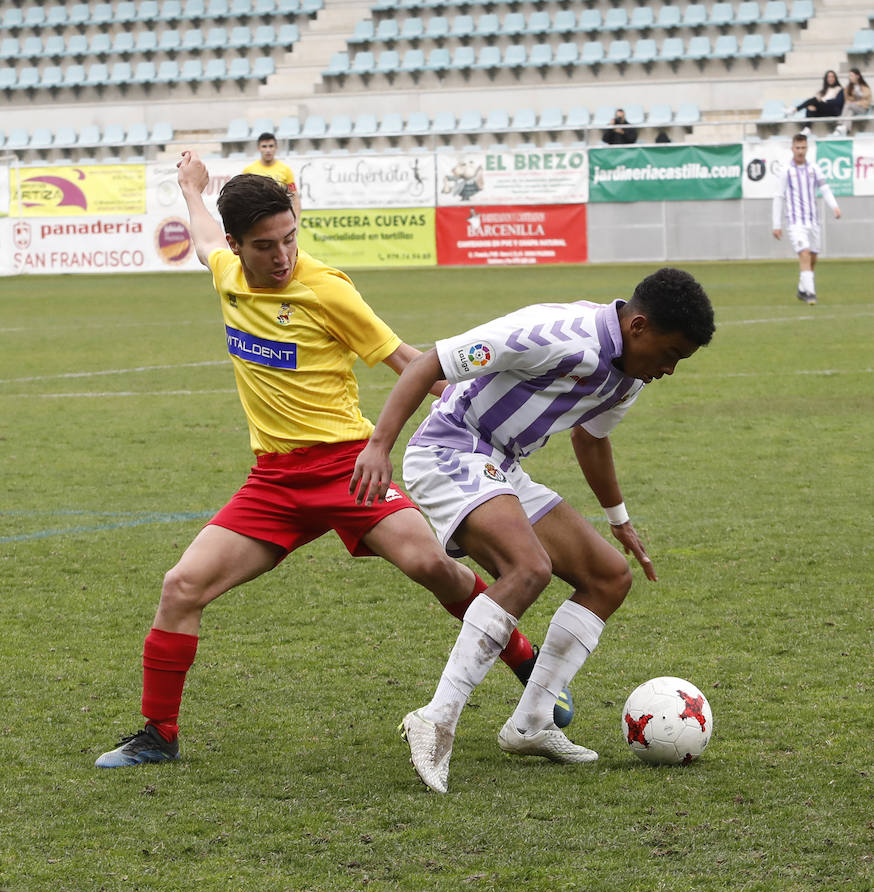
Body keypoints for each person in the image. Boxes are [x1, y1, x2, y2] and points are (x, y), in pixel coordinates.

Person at [94, 152, 568, 768]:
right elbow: (204, 235)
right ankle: (159, 735)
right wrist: (191, 188)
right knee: (180, 587)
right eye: (265, 246)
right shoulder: (226, 272)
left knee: (431, 564)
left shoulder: (326, 288)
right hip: (273, 482)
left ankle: (524, 659)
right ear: (237, 246)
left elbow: (410, 362)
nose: (283, 255)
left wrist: (483, 416)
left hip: (349, 468)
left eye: (290, 238)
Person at [350, 268, 716, 793]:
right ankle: (436, 719)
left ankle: (531, 722)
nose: (670, 369)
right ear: (638, 327)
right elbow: (432, 361)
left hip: (501, 466)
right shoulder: (553, 334)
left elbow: (591, 439)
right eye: (671, 353)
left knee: (609, 577)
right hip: (448, 449)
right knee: (528, 569)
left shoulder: (631, 376)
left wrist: (619, 520)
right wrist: (378, 445)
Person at [772, 133, 841, 305]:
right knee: (804, 253)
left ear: (807, 148)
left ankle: (802, 290)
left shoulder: (814, 169)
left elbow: (825, 189)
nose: (800, 151)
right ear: (792, 148)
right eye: (797, 147)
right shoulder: (786, 171)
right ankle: (811, 293)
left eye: (803, 148)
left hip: (813, 221)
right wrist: (776, 224)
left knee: (813, 258)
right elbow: (779, 196)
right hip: (795, 222)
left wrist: (834, 206)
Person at [243, 131, 301, 221]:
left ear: (276, 147)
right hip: (257, 219)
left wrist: (295, 220)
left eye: (271, 146)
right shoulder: (248, 171)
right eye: (264, 146)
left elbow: (294, 196)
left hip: (280, 218)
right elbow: (243, 197)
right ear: (258, 148)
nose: (268, 150)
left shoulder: (285, 170)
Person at [834, 68, 871, 135]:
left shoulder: (865, 87)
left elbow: (867, 101)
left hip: (863, 108)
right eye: (849, 76)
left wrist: (856, 102)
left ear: (857, 76)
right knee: (850, 110)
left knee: (848, 105)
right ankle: (845, 129)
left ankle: (840, 124)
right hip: (853, 108)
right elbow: (847, 99)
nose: (850, 77)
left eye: (851, 75)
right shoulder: (849, 87)